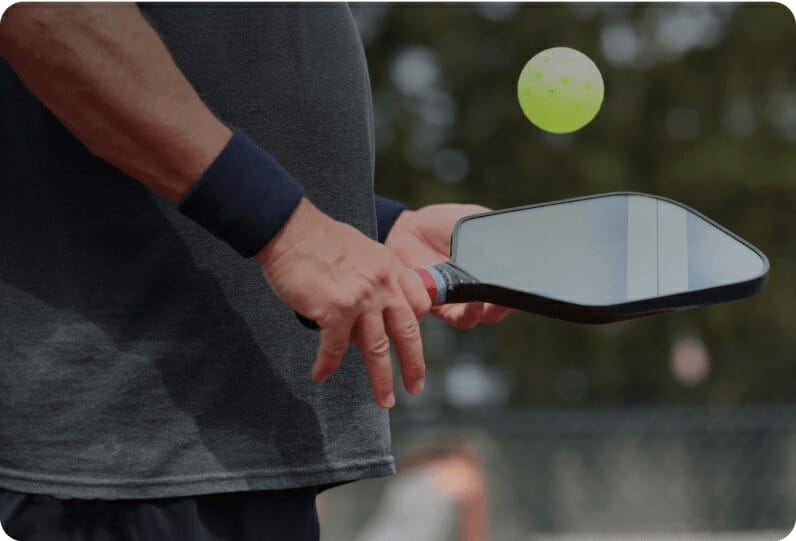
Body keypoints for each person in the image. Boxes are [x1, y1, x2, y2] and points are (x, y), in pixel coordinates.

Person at [0, 4, 510, 540]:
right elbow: (47, 13)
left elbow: (220, 90)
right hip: (122, 454)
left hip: (230, 451)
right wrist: (285, 230)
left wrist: (377, 226)